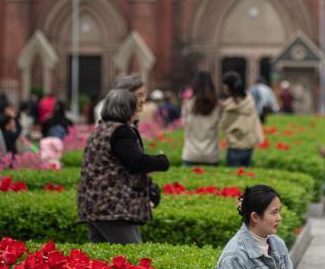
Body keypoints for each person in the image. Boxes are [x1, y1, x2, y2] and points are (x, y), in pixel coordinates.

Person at [77, 88, 170, 244]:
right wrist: (162, 161)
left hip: (94, 203)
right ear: (127, 109)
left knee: (101, 259)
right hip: (113, 207)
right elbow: (136, 162)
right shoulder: (121, 132)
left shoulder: (101, 129)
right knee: (132, 255)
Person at [220, 72, 263, 167]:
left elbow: (222, 126)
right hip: (249, 146)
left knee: (234, 179)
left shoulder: (231, 107)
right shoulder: (249, 100)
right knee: (246, 177)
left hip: (235, 147)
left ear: (228, 87)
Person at [182, 71, 221, 166]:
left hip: (190, 153)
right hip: (211, 155)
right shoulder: (217, 106)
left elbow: (185, 124)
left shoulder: (187, 104)